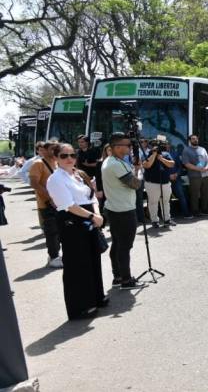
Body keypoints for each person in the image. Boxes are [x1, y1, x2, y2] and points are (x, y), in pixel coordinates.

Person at [46, 143, 107, 319]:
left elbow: (92, 195)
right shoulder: (56, 179)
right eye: (64, 156)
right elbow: (68, 205)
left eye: (72, 155)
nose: (69, 159)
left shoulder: (79, 174)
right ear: (56, 158)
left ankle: (96, 297)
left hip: (89, 218)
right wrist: (92, 217)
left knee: (93, 258)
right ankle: (80, 306)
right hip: (71, 222)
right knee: (77, 264)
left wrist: (97, 213)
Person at [101, 132, 143, 290]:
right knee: (124, 246)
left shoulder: (113, 161)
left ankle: (118, 276)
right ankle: (126, 279)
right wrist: (138, 172)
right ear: (117, 147)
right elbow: (135, 184)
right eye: (127, 145)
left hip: (117, 208)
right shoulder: (114, 164)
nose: (130, 148)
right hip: (123, 211)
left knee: (118, 244)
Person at [30, 141, 64, 268]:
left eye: (56, 149)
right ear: (44, 150)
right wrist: (50, 197)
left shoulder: (56, 162)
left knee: (60, 230)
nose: (54, 151)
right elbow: (34, 183)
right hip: (47, 204)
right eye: (52, 149)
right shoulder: (38, 164)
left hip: (60, 203)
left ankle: (55, 255)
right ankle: (54, 256)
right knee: (52, 231)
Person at [142, 138, 175, 227]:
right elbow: (147, 165)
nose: (156, 147)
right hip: (152, 183)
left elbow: (172, 164)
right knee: (153, 202)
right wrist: (154, 154)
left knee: (165, 202)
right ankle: (155, 221)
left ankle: (167, 219)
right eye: (154, 145)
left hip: (165, 183)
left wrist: (161, 159)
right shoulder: (147, 154)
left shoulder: (166, 154)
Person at [181, 135, 208, 217]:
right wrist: (199, 169)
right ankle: (195, 211)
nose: (195, 140)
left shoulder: (202, 149)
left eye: (196, 139)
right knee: (194, 194)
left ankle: (204, 210)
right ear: (190, 141)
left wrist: (206, 167)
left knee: (205, 193)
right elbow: (186, 164)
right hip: (194, 176)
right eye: (193, 139)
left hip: (205, 175)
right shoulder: (186, 150)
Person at [168, 147, 191, 220]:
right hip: (166, 179)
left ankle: (186, 213)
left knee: (181, 195)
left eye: (167, 144)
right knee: (167, 198)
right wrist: (168, 175)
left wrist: (177, 174)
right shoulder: (159, 155)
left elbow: (180, 166)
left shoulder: (175, 154)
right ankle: (169, 216)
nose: (166, 145)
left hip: (176, 178)